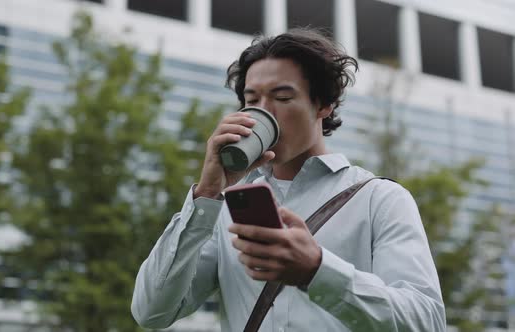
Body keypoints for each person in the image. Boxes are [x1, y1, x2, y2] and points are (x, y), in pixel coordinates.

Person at [131, 28, 445, 331]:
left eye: (282, 97)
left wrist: (318, 271)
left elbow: (426, 322)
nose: (263, 112)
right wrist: (208, 192)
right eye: (252, 100)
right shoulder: (222, 208)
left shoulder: (380, 199)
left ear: (324, 104)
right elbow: (151, 311)